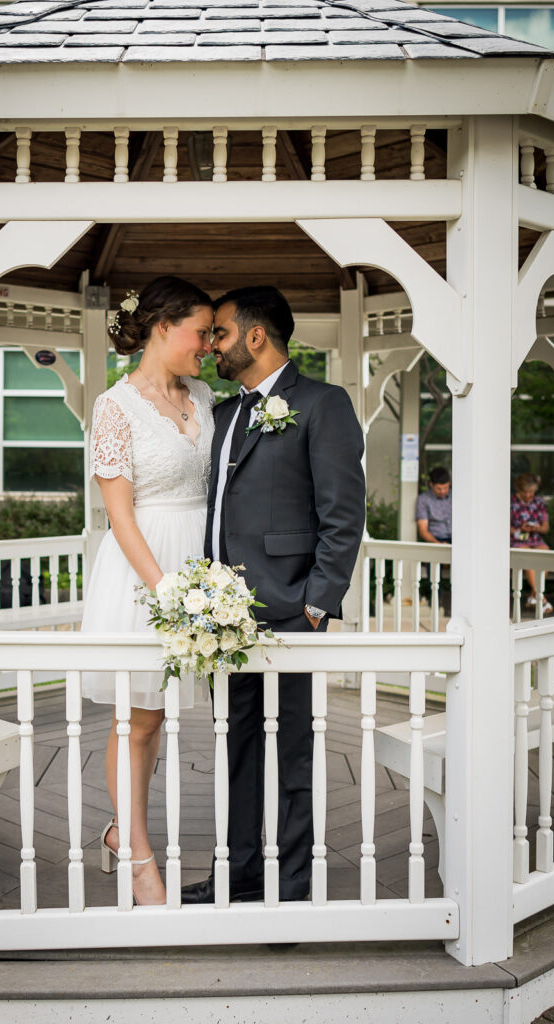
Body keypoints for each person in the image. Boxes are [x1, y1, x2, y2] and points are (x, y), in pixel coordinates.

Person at [181, 285, 365, 905]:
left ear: (256, 336)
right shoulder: (226, 414)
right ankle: (236, 877)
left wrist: (316, 603)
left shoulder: (322, 404)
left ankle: (290, 888)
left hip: (291, 611)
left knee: (293, 756)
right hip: (220, 619)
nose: (212, 346)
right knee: (234, 751)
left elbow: (343, 515)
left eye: (222, 335)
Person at [80, 276, 214, 906]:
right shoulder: (115, 406)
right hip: (143, 572)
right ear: (163, 327)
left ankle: (117, 832)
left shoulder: (206, 397)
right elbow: (120, 516)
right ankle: (136, 853)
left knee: (156, 717)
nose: (210, 343)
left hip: (197, 565)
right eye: (202, 330)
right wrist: (166, 590)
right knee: (132, 718)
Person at [510, 472, 553, 615]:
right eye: (526, 492)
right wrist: (519, 529)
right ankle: (542, 599)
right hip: (517, 538)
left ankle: (535, 595)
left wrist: (537, 528)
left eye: (531, 492)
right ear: (519, 490)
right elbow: (502, 527)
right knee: (528, 556)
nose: (529, 495)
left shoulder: (539, 502)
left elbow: (546, 527)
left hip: (535, 538)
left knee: (544, 553)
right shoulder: (510, 502)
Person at [415, 467, 452, 544]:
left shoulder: (456, 496)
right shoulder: (424, 499)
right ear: (431, 484)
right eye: (439, 489)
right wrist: (439, 545)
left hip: (458, 540)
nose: (442, 491)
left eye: (445, 488)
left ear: (449, 483)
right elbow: (423, 531)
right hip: (436, 540)